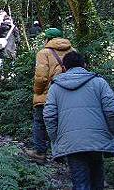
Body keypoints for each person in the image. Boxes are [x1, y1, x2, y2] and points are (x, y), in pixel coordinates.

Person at [43, 51, 114, 190]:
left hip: (72, 142)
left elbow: (49, 116)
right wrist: (111, 132)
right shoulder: (99, 82)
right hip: (97, 140)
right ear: (84, 65)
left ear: (64, 68)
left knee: (81, 184)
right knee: (97, 181)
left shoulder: (55, 87)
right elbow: (113, 110)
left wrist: (56, 138)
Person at [24, 27, 73, 162]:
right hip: (70, 95)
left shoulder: (44, 53)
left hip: (48, 95)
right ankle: (64, 154)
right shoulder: (73, 51)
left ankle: (40, 152)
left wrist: (38, 92)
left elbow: (41, 77)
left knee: (39, 122)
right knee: (65, 124)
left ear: (47, 39)